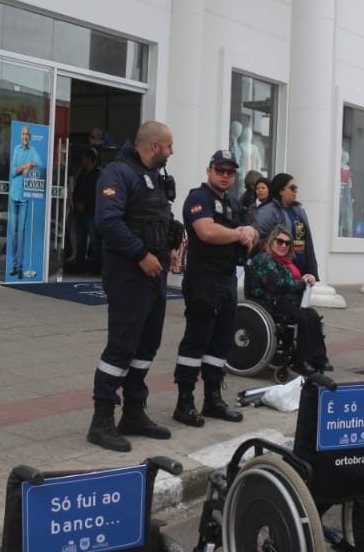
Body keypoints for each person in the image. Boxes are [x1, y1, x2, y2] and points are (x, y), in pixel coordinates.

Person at [87, 121, 184, 452]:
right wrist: (141, 254)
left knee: (147, 347)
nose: (172, 152)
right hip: (128, 276)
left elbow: (160, 220)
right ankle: (102, 421)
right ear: (154, 146)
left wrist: (172, 246)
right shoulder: (118, 173)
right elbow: (108, 222)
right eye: (169, 146)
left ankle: (133, 413)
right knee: (122, 348)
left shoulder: (155, 177)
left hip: (153, 277)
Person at [171, 150, 259, 427]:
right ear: (209, 170)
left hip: (227, 277)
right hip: (203, 278)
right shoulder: (199, 198)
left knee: (221, 342)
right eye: (220, 170)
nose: (225, 175)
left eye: (230, 171)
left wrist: (252, 233)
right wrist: (239, 234)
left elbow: (252, 229)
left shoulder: (233, 202)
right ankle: (184, 403)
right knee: (197, 340)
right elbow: (206, 231)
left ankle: (212, 400)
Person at [245, 225, 333, 374]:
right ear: (271, 241)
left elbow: (290, 283)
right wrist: (302, 283)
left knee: (312, 315)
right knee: (302, 317)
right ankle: (301, 361)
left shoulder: (283, 262)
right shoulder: (264, 259)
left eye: (287, 243)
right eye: (280, 241)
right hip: (267, 302)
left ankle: (319, 358)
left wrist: (305, 279)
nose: (283, 245)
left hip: (282, 301)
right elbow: (278, 284)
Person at [253, 173, 318, 279]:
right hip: (279, 272)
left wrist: (312, 272)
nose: (295, 191)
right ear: (281, 190)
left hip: (302, 270)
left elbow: (308, 243)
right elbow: (256, 240)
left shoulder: (298, 210)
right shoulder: (267, 211)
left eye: (296, 188)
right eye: (292, 188)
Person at [8, 124, 43, 278]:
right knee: (14, 233)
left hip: (24, 197)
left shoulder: (32, 150)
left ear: (30, 137)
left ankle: (19, 267)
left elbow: (41, 164)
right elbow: (12, 171)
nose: (25, 137)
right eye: (23, 134)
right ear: (20, 136)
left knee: (21, 232)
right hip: (13, 195)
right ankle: (15, 264)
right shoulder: (16, 150)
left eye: (27, 135)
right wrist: (25, 166)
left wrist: (32, 164)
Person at [70, 147, 102, 274]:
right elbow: (75, 191)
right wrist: (77, 203)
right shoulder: (81, 174)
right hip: (80, 213)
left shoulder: (99, 175)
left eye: (83, 157)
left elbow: (98, 194)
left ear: (89, 159)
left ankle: (96, 268)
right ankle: (80, 267)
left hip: (92, 213)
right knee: (80, 242)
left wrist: (86, 205)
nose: (81, 160)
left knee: (95, 242)